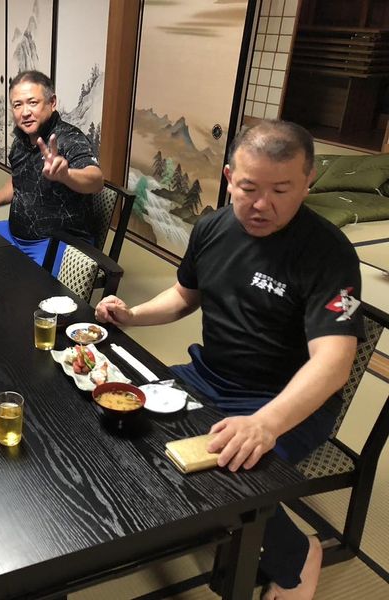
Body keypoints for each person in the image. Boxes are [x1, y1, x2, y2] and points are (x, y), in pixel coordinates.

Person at [95, 120, 362, 600]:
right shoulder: (213, 227)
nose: (262, 204)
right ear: (229, 177)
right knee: (121, 414)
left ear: (308, 182)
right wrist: (132, 316)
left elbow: (335, 362)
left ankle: (298, 555)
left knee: (230, 471)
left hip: (286, 401)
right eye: (249, 188)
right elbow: (184, 296)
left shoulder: (329, 252)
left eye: (281, 190)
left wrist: (266, 423)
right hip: (209, 376)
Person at [0, 70, 103, 269]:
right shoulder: (21, 141)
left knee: (18, 284)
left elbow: (96, 180)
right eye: (17, 105)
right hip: (13, 234)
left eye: (32, 102)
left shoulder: (69, 139)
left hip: (57, 243)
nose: (25, 112)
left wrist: (66, 175)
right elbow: (18, 181)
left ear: (52, 103)